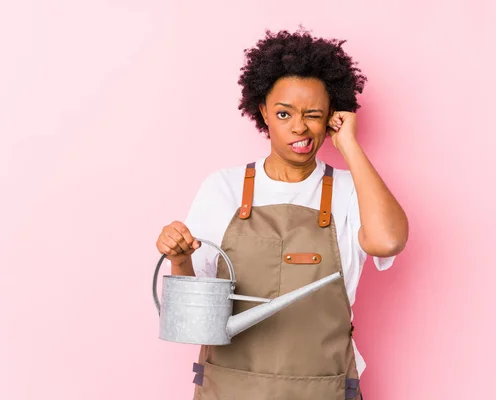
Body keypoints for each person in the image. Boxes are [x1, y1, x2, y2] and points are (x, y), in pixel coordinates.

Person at [155, 28, 408, 400]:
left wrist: (349, 145)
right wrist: (180, 259)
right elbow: (194, 312)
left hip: (323, 389)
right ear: (263, 112)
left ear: (331, 118)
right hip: (230, 389)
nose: (299, 127)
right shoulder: (223, 188)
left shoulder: (352, 192)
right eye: (284, 113)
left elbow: (387, 241)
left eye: (314, 115)